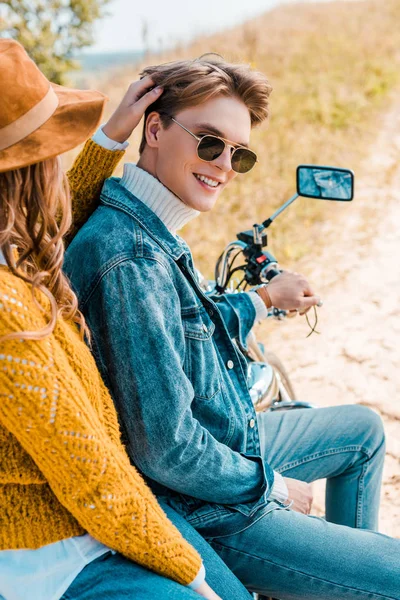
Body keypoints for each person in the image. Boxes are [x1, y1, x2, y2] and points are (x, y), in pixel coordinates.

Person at [65, 55, 400, 599]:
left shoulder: (153, 230)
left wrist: (263, 299)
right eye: (209, 142)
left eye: (239, 155)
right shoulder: (128, 257)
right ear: (154, 128)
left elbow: (192, 322)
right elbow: (168, 449)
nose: (223, 164)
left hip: (228, 441)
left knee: (362, 429)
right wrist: (270, 487)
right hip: (208, 504)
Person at [0, 40, 254, 600]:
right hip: (59, 552)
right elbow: (91, 473)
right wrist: (193, 576)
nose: (225, 165)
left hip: (91, 522)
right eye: (50, 151)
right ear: (27, 173)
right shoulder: (11, 309)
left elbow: (53, 231)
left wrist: (109, 140)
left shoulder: (18, 264)